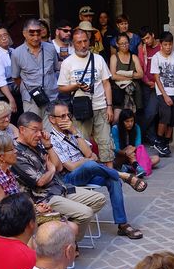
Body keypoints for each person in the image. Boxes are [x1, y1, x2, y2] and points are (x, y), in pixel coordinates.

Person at [46, 101, 144, 239]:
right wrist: (88, 160)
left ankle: (123, 224)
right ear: (52, 119)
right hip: (68, 178)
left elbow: (89, 153)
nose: (67, 119)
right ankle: (123, 175)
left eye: (68, 115)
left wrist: (75, 133)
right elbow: (71, 166)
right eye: (62, 116)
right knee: (89, 165)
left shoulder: (73, 132)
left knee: (113, 179)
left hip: (87, 172)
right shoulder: (52, 139)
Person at [12, 112, 106, 241]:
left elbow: (59, 167)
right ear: (22, 130)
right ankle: (68, 244)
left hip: (61, 187)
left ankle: (63, 235)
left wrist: (48, 145)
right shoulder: (16, 152)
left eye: (41, 130)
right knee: (86, 213)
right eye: (35, 130)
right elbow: (40, 181)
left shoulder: (39, 143)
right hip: (45, 198)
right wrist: (51, 170)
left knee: (99, 199)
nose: (39, 134)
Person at [58, 26, 114, 166]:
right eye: (79, 42)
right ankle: (90, 172)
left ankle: (111, 173)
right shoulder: (67, 63)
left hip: (100, 106)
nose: (83, 45)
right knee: (82, 143)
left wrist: (109, 106)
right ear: (73, 44)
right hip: (81, 109)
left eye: (85, 41)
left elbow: (106, 83)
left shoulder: (99, 59)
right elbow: (62, 87)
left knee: (106, 142)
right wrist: (76, 86)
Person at [10, 17, 60, 118]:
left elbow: (55, 69)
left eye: (38, 33)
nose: (36, 38)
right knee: (33, 129)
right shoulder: (17, 53)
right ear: (24, 33)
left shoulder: (50, 48)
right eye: (32, 34)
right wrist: (27, 88)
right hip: (31, 99)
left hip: (51, 96)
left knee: (52, 129)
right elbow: (16, 78)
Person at [149, 31, 174, 157]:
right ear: (160, 45)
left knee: (173, 121)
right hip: (164, 92)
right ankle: (159, 141)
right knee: (165, 117)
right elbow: (157, 78)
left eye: (170, 44)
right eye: (165, 44)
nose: (168, 47)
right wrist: (164, 95)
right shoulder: (156, 58)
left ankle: (165, 143)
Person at [111, 108, 157, 177]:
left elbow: (138, 145)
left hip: (133, 154)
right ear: (121, 121)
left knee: (156, 158)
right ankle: (136, 167)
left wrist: (131, 149)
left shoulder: (136, 127)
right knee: (130, 151)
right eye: (127, 121)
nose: (130, 124)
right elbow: (116, 149)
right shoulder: (115, 129)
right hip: (120, 157)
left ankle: (129, 168)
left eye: (132, 121)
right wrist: (126, 152)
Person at [108, 32, 142, 121]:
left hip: (133, 92)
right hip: (119, 92)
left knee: (132, 119)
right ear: (117, 44)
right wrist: (131, 76)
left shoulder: (134, 57)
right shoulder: (114, 57)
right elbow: (113, 76)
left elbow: (140, 74)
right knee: (116, 119)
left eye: (126, 43)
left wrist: (122, 73)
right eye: (122, 43)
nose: (125, 45)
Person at [136, 26, 161, 136]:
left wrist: (156, 83)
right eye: (144, 39)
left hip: (159, 84)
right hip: (146, 84)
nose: (146, 41)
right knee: (147, 111)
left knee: (152, 112)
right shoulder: (142, 48)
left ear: (153, 35)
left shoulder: (161, 46)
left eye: (148, 38)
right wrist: (146, 81)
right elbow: (140, 66)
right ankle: (151, 137)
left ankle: (138, 133)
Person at [0, 24, 18, 114]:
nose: (4, 38)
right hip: (6, 96)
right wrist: (11, 100)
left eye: (5, 35)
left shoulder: (13, 51)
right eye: (0, 36)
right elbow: (0, 82)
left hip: (18, 92)